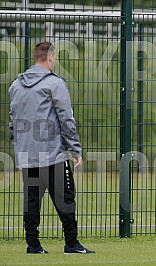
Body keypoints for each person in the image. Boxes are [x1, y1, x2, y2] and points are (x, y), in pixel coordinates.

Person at [8, 42, 94, 254]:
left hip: (27, 154)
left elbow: (13, 121)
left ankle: (33, 245)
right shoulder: (55, 84)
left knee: (32, 201)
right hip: (53, 154)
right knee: (65, 198)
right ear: (50, 57)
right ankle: (71, 244)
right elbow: (66, 119)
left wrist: (19, 148)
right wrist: (75, 149)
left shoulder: (15, 85)